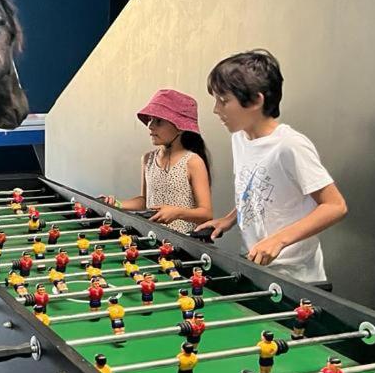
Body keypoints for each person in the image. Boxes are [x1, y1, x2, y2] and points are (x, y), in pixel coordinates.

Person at [196, 50, 347, 282]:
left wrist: (279, 239)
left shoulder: (290, 145)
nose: (216, 109)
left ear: (256, 100)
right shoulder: (240, 138)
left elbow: (335, 206)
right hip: (256, 267)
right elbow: (256, 192)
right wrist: (228, 219)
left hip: (297, 277)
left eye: (224, 101)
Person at [101, 89, 212, 234]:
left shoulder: (193, 162)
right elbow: (145, 201)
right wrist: (116, 204)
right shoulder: (148, 159)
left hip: (183, 245)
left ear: (180, 127)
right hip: (151, 239)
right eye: (150, 119)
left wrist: (177, 212)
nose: (150, 126)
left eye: (158, 121)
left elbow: (206, 214)